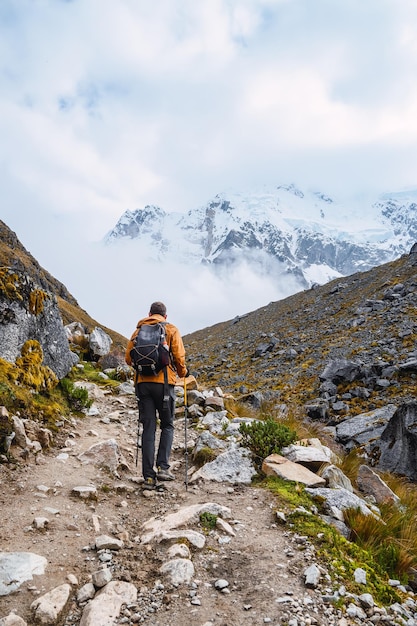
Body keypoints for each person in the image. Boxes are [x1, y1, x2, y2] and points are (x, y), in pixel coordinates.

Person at [125, 301, 187, 490]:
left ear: (149, 313)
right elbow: (179, 356)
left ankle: (148, 478)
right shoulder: (171, 329)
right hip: (165, 385)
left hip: (143, 385)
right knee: (167, 425)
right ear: (165, 316)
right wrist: (182, 372)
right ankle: (163, 467)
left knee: (149, 428)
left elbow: (128, 358)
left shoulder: (138, 331)